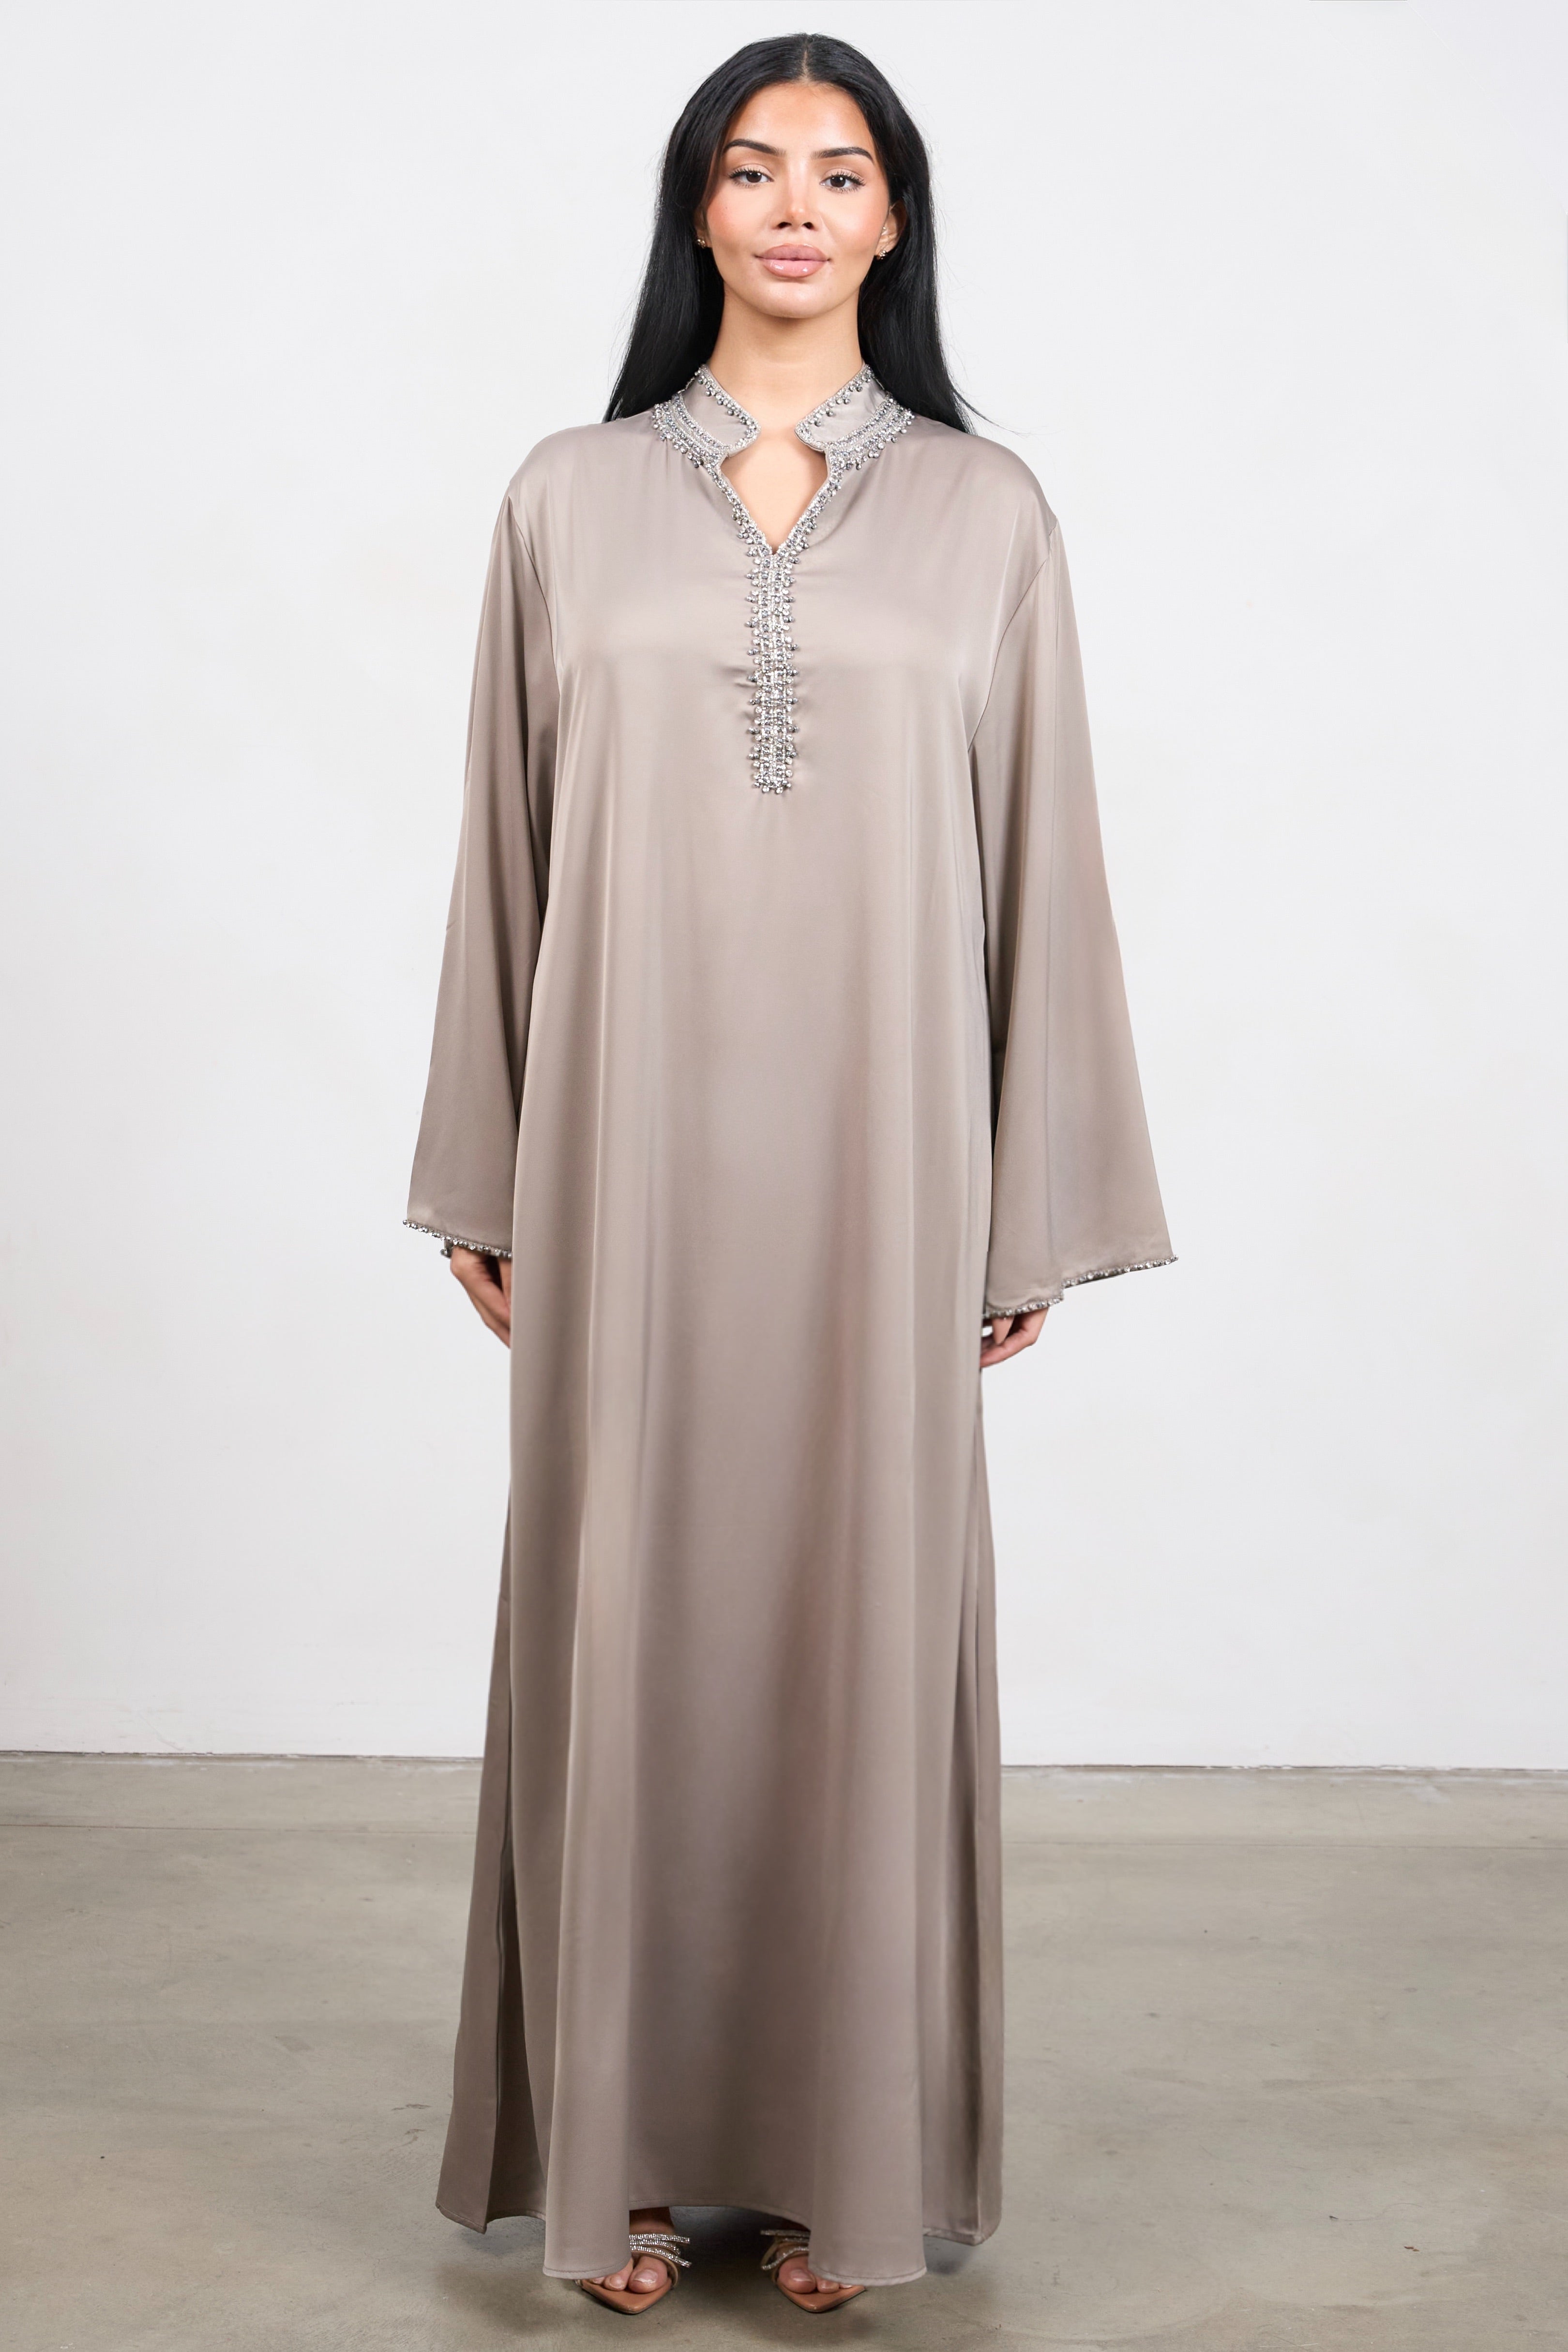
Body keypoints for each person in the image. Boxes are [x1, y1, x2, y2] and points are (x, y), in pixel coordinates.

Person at [406, 29, 1171, 2318]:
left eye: (842, 172)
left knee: (862, 1622)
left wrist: (1031, 1195)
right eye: (754, 170)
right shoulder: (564, 496)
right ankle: (621, 2165)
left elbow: (1043, 857)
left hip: (886, 1157)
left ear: (895, 217)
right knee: (623, 1618)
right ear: (697, 212)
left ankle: (852, 2161)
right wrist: (488, 1173)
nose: (798, 208)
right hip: (620, 1154)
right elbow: (503, 854)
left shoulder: (987, 511)